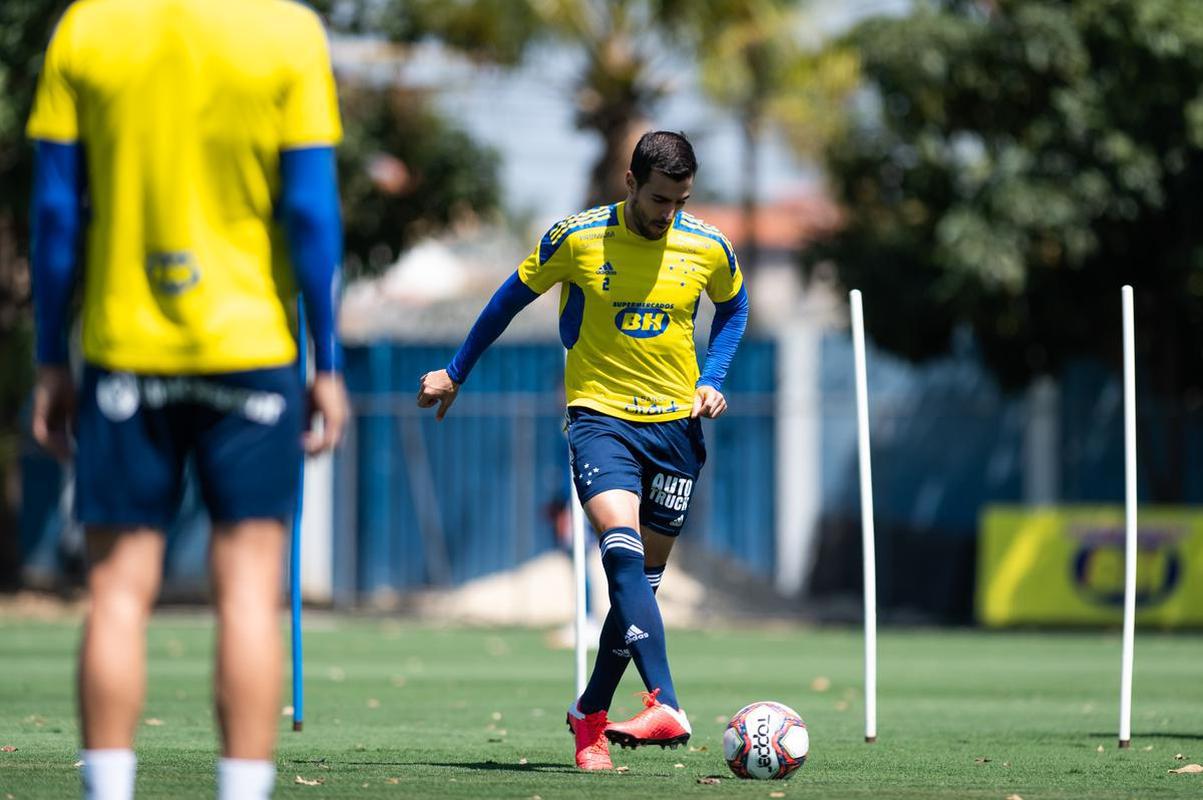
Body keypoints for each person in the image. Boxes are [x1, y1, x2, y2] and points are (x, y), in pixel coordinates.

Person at [27, 2, 347, 798]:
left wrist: (50, 356)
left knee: (116, 592)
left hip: (123, 350)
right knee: (248, 595)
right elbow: (311, 211)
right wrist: (328, 360)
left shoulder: (86, 28)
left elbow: (56, 213)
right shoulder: (288, 33)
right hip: (255, 351)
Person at [417, 131, 749, 771]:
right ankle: (666, 701)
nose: (668, 213)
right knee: (620, 551)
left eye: (680, 201)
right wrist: (456, 372)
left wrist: (714, 377)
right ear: (630, 183)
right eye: (658, 199)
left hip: (676, 430)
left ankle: (589, 715)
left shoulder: (709, 245)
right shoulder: (576, 237)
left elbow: (734, 309)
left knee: (639, 589)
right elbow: (506, 302)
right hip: (600, 419)